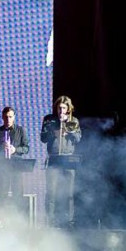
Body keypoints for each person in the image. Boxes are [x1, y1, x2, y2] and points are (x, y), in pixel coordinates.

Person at [39, 96, 82, 228]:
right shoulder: (49, 120)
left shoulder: (73, 120)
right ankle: (50, 221)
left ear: (68, 109)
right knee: (51, 192)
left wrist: (69, 132)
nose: (61, 111)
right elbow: (43, 138)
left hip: (68, 160)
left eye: (63, 108)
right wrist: (54, 133)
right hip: (54, 159)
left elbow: (78, 138)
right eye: (59, 108)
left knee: (69, 193)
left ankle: (69, 221)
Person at [0, 107, 31, 217]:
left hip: (16, 165)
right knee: (3, 193)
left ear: (14, 117)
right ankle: (4, 218)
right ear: (2, 117)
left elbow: (26, 148)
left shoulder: (20, 130)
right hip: (2, 166)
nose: (8, 119)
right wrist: (0, 147)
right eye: (6, 117)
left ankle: (19, 218)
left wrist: (15, 149)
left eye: (10, 117)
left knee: (18, 193)